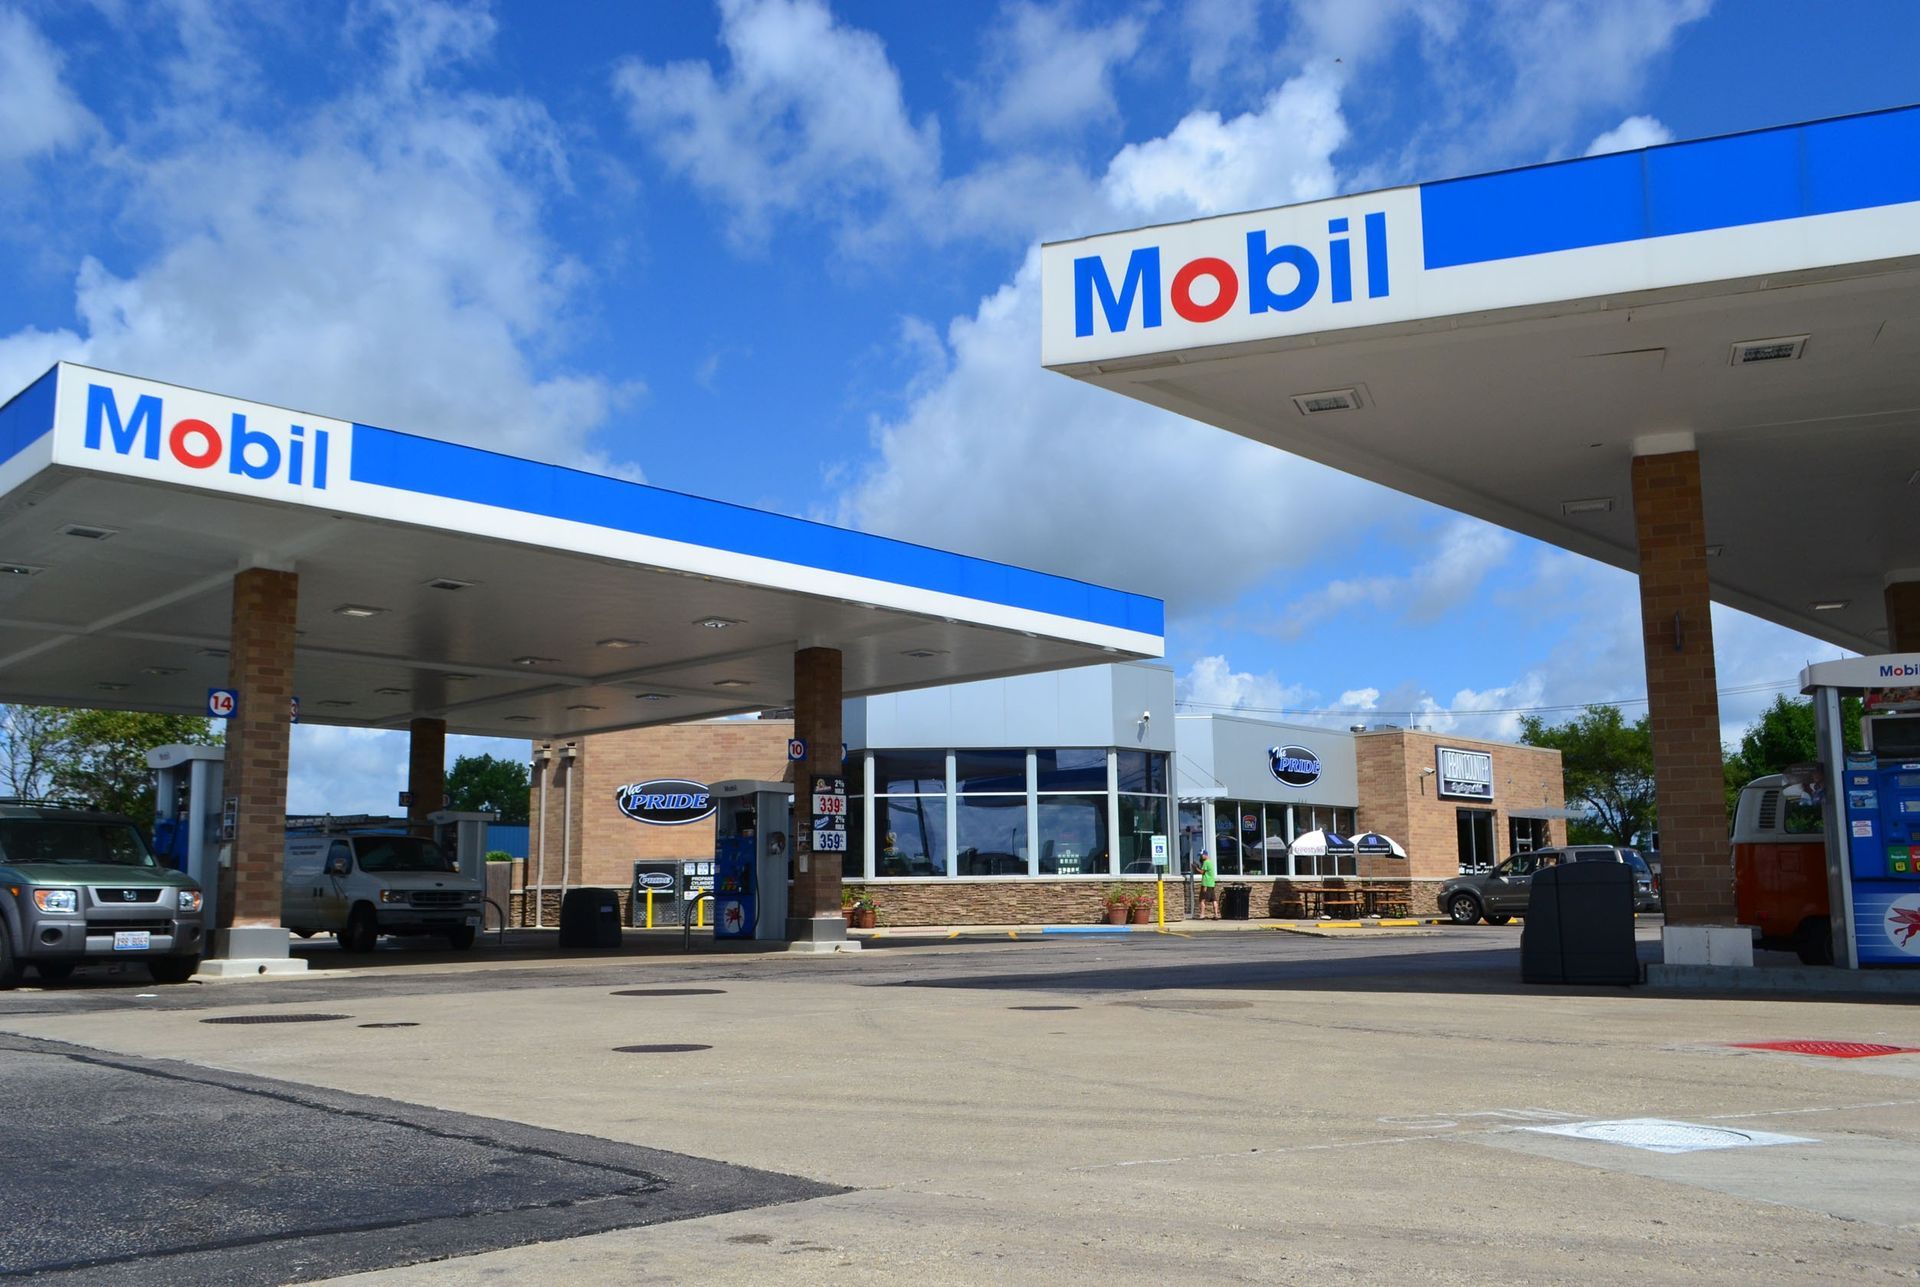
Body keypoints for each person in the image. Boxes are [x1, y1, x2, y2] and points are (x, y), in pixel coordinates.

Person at [1196, 849, 1218, 919]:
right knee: (1214, 899)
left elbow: (1202, 872)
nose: (1201, 857)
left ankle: (1202, 915)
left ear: (1205, 855)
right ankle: (1216, 915)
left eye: (1201, 855)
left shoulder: (1206, 862)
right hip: (1211, 884)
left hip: (1206, 883)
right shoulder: (1211, 862)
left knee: (1202, 899)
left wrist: (1196, 868)